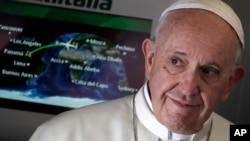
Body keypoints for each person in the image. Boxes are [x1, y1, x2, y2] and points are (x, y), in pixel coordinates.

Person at [29, 0, 246, 140]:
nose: (188, 88)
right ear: (150, 59)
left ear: (230, 83)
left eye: (208, 71)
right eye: (176, 62)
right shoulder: (62, 135)